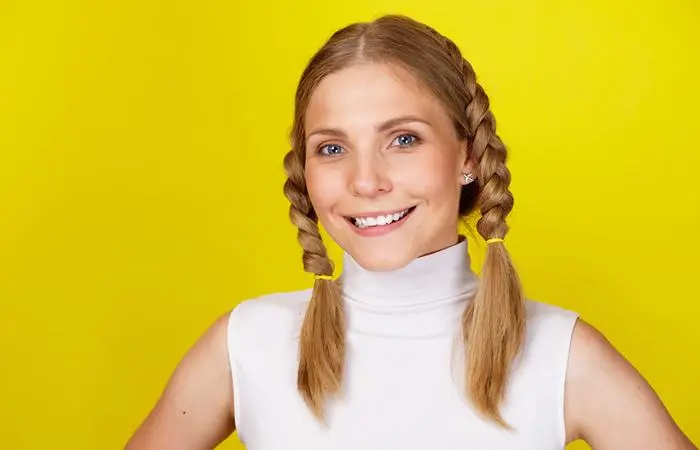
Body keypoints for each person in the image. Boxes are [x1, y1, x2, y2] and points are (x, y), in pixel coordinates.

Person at [125, 15, 696, 450]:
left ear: (467, 156)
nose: (366, 180)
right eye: (331, 148)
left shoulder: (563, 355)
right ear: (306, 171)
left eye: (403, 139)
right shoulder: (244, 345)